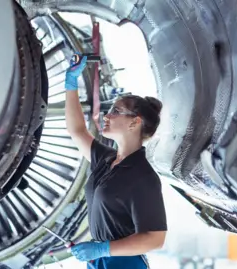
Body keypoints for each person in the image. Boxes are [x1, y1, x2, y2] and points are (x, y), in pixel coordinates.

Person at [65, 55, 167, 269]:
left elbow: (155, 239)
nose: (106, 115)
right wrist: (71, 83)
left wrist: (104, 249)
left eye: (116, 111)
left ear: (134, 123)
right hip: (101, 260)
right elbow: (77, 131)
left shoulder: (143, 176)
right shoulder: (106, 159)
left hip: (124, 263)